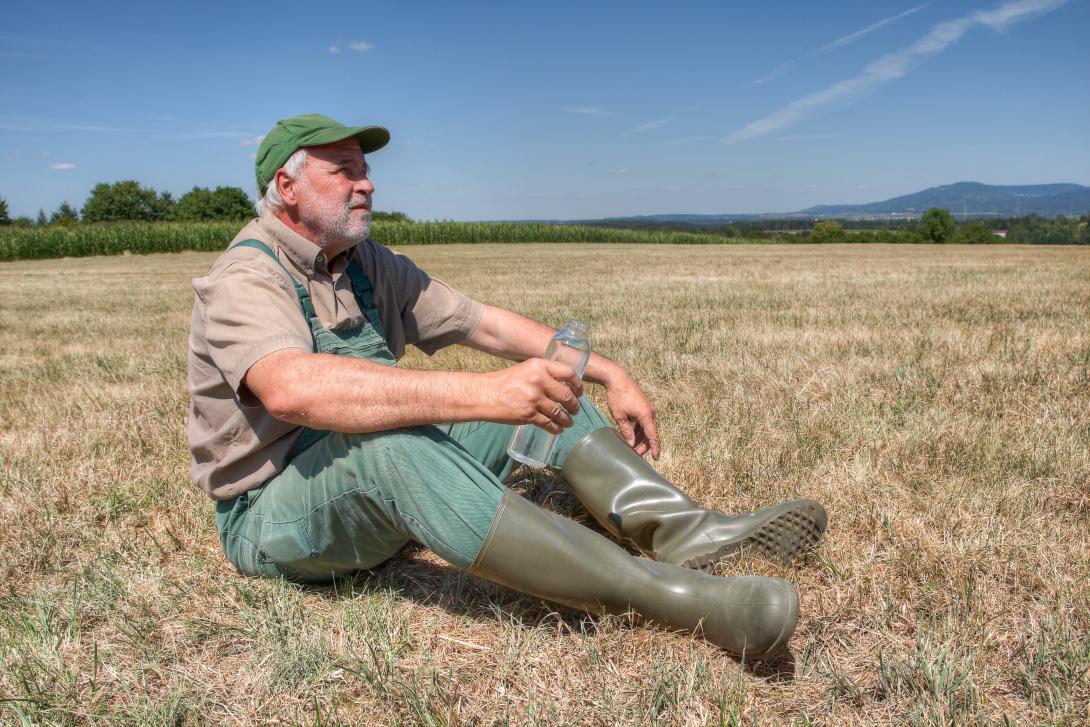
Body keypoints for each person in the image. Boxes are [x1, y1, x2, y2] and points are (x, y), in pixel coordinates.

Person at [187, 113, 828, 660]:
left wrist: (607, 372)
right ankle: (678, 599)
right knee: (389, 449)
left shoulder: (361, 262)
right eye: (345, 169)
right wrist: (487, 394)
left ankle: (688, 533)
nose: (367, 183)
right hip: (270, 516)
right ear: (287, 187)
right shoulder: (247, 275)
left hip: (361, 492)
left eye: (366, 169)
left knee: (547, 390)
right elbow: (292, 389)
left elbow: (483, 325)